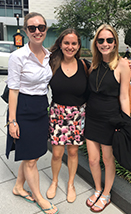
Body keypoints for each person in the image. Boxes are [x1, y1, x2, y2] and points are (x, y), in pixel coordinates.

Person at [5, 12, 58, 214]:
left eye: (41, 27)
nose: (37, 31)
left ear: (46, 29)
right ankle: (38, 197)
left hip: (40, 107)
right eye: (32, 28)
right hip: (23, 108)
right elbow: (14, 90)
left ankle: (19, 186)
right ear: (26, 31)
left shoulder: (50, 56)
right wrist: (12, 120)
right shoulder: (18, 57)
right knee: (31, 160)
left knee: (32, 154)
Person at [84, 24, 131, 212]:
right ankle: (97, 189)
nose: (105, 43)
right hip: (92, 118)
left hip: (110, 119)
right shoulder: (92, 64)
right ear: (96, 43)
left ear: (115, 43)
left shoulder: (122, 65)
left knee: (108, 159)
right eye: (101, 40)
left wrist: (126, 123)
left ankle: (106, 193)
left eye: (109, 40)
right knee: (93, 160)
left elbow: (125, 96)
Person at [46, 28, 90, 203]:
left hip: (77, 115)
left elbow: (107, 68)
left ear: (78, 45)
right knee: (57, 154)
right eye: (66, 43)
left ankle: (70, 183)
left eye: (74, 43)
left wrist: (125, 64)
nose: (70, 47)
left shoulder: (85, 66)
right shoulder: (51, 63)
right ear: (60, 44)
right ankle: (55, 181)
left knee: (72, 152)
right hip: (57, 114)